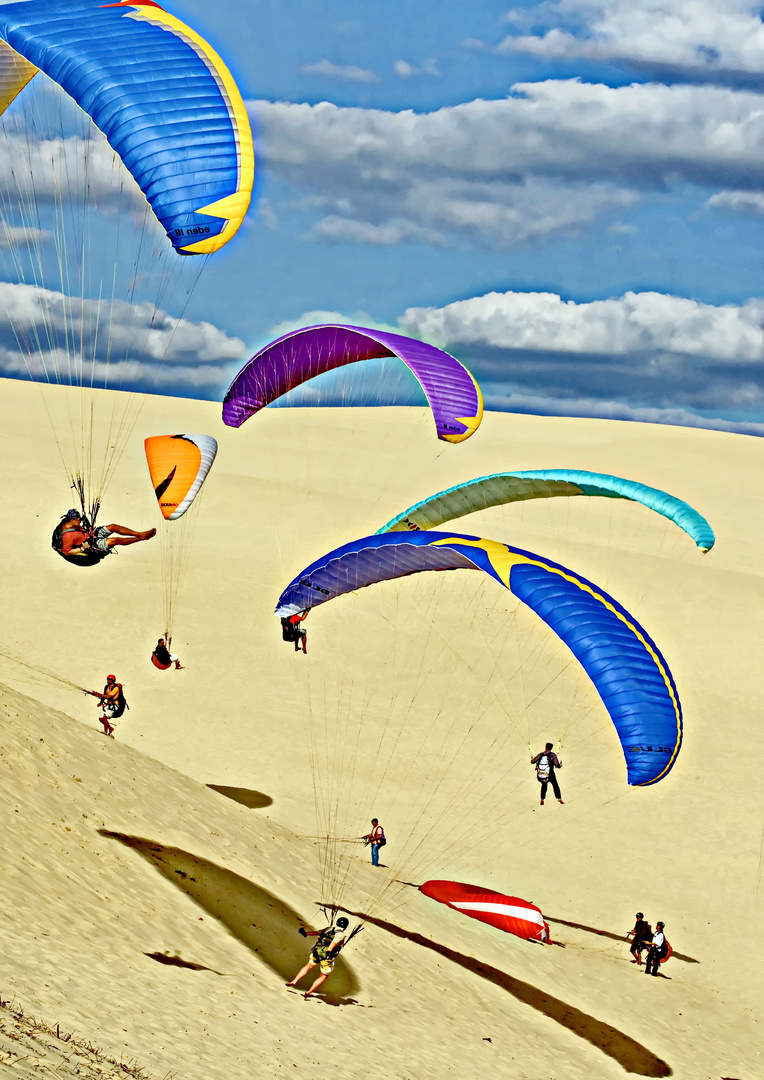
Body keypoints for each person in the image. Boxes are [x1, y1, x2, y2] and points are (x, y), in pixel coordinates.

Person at [53, 509, 156, 564]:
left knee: (113, 526)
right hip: (91, 544)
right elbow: (67, 552)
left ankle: (140, 534)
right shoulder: (67, 536)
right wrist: (81, 548)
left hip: (92, 534)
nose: (80, 521)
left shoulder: (73, 524)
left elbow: (80, 527)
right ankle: (139, 539)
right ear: (72, 520)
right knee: (113, 541)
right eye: (78, 520)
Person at [286, 916, 349, 998]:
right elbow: (333, 943)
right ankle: (308, 992)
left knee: (308, 966)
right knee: (324, 975)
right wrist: (329, 951)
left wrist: (306, 933)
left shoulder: (329, 929)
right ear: (346, 926)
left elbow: (317, 933)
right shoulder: (341, 935)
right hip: (326, 957)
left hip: (317, 952)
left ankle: (294, 981)